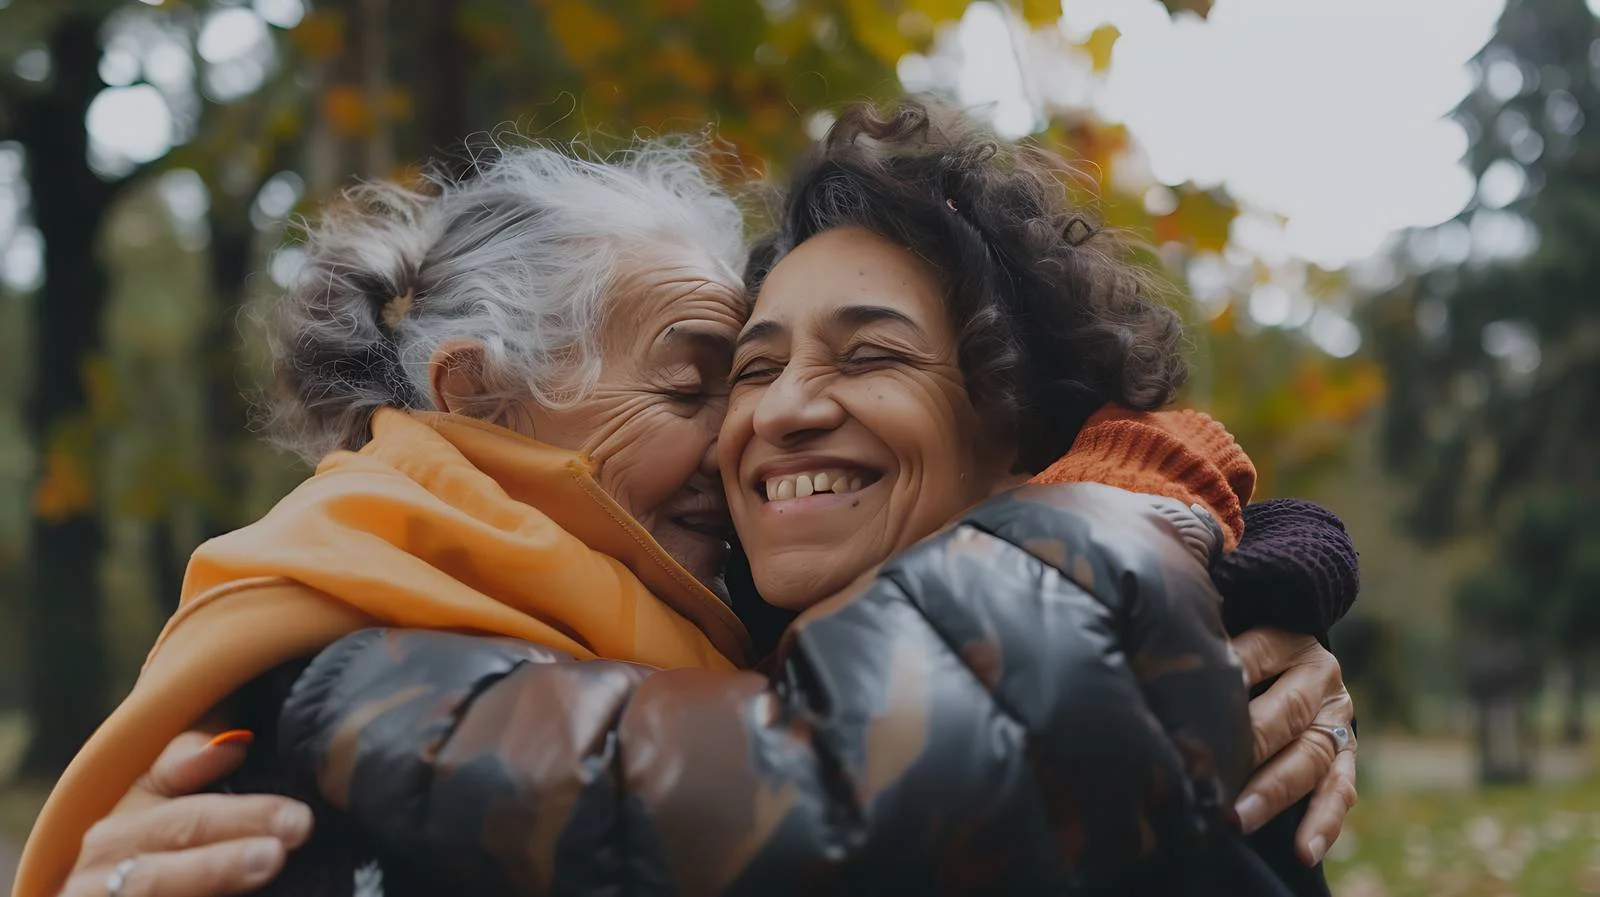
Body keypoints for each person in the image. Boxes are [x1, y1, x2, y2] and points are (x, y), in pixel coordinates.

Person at [21, 103, 1355, 897]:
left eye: (870, 354)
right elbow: (869, 768)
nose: (754, 428)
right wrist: (1150, 503)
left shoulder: (708, 647)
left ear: (1022, 435)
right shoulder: (359, 674)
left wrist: (1254, 564)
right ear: (479, 398)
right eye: (714, 377)